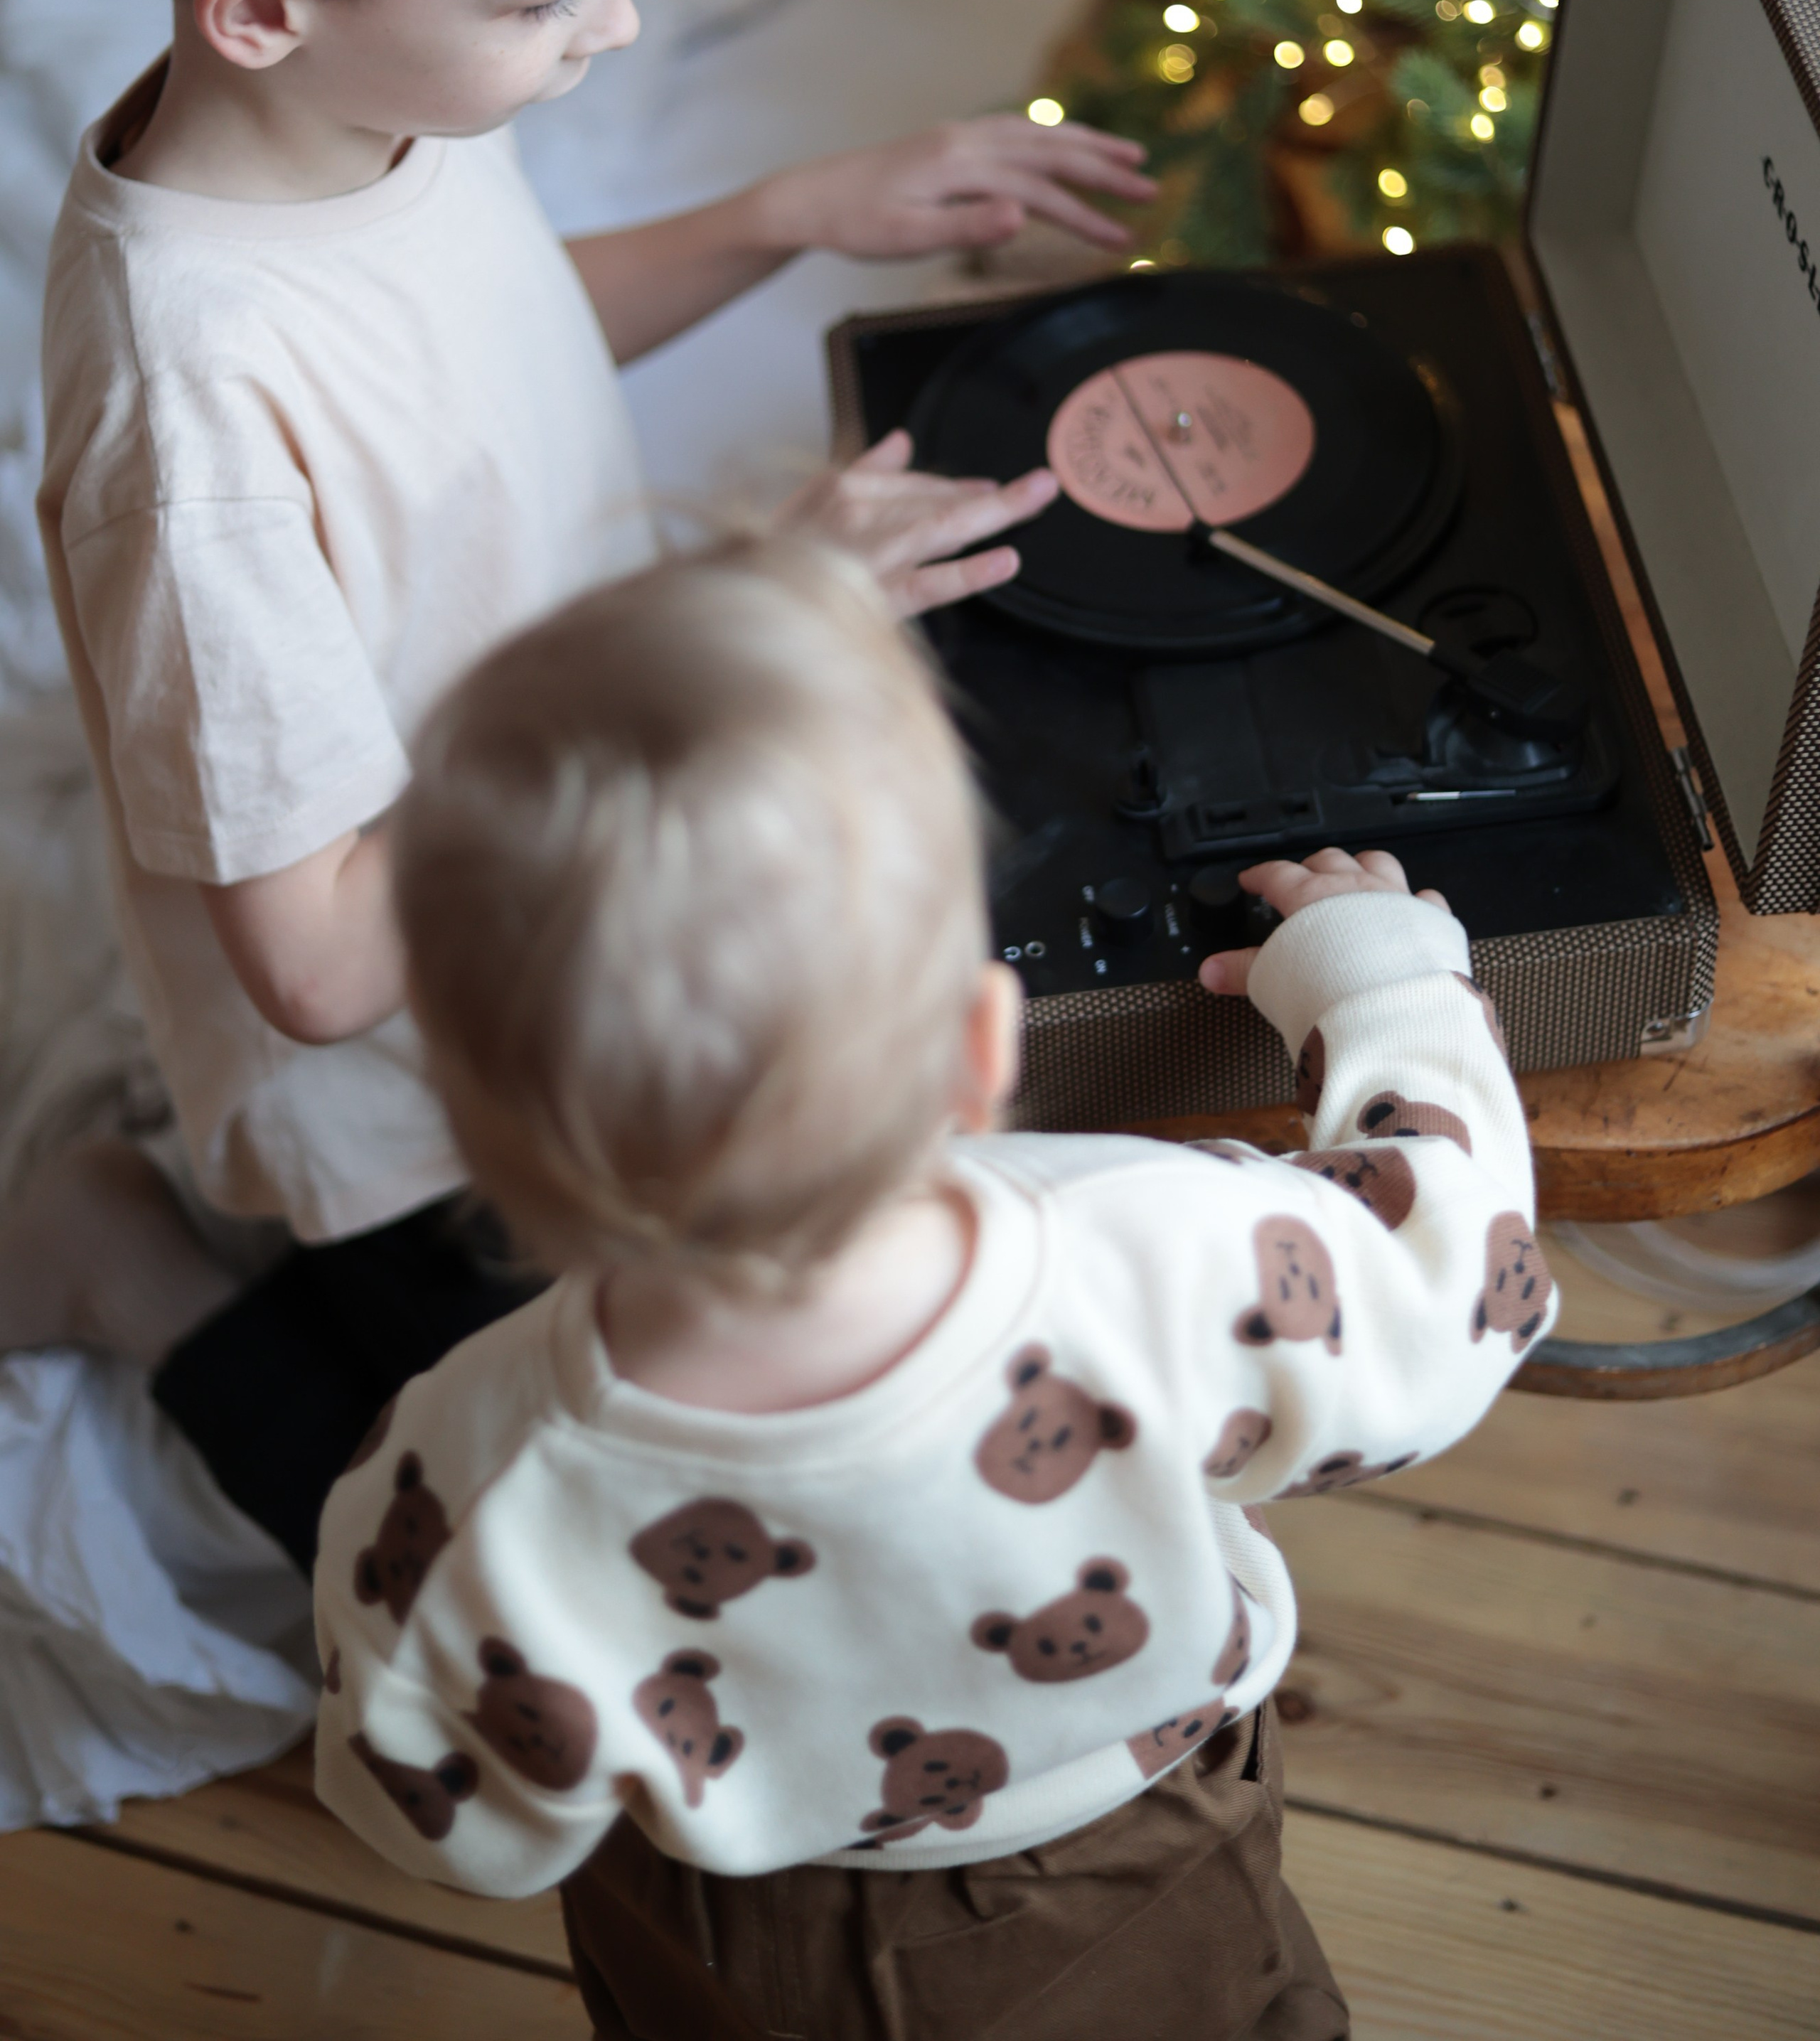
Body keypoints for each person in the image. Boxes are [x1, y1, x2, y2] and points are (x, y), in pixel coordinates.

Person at [0, 0, 1152, 1563]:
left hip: (566, 919)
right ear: (261, 5)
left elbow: (488, 337)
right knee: (501, 1541)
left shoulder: (375, 115)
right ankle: (122, 1272)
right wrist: (738, 631)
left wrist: (790, 209)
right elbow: (325, 962)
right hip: (435, 1110)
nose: (611, 38)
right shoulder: (198, 418)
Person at [314, 530, 1556, 2041]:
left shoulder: (457, 1471)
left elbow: (452, 1825)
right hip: (1128, 1879)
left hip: (719, 1935)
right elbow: (1456, 1285)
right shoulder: (1154, 1255)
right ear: (984, 1047)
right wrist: (1381, 980)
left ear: (471, 1125)